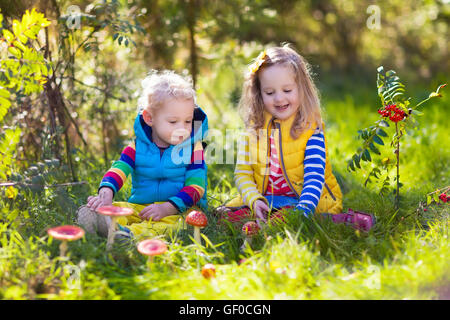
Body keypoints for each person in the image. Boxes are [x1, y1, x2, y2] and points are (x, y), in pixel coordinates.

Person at [218, 44, 375, 231]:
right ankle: (263, 219)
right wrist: (254, 200)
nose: (279, 98)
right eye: (270, 92)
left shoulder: (310, 130)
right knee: (225, 217)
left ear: (301, 89)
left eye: (287, 90)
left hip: (304, 202)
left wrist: (303, 211)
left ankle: (343, 220)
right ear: (259, 94)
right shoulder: (254, 129)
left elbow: (314, 178)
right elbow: (243, 173)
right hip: (267, 200)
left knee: (284, 221)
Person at [77, 70, 208, 241]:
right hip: (139, 206)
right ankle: (101, 219)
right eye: (173, 122)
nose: (182, 128)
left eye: (188, 121)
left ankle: (128, 234)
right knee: (121, 209)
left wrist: (167, 208)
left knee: (172, 224)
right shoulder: (137, 146)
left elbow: (196, 187)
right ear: (149, 118)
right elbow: (120, 168)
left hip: (178, 210)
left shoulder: (194, 149)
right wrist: (107, 190)